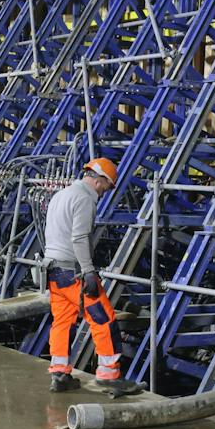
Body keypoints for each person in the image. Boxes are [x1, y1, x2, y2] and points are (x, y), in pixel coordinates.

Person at [42, 156, 140, 395]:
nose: (106, 192)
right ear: (100, 181)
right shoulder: (84, 198)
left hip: (53, 270)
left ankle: (60, 373)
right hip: (74, 272)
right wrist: (88, 272)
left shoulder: (61, 195)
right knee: (103, 318)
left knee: (62, 322)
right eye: (107, 186)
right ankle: (109, 375)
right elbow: (79, 237)